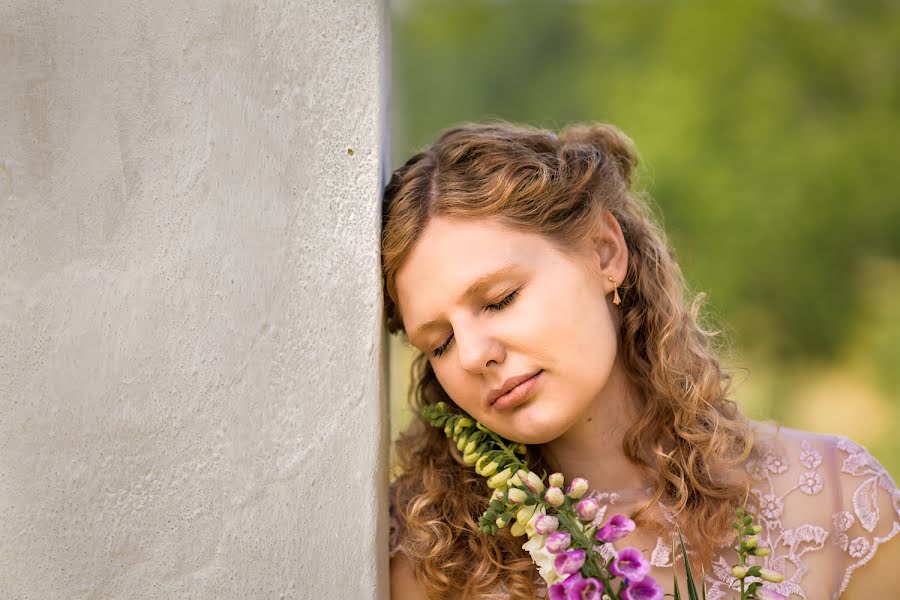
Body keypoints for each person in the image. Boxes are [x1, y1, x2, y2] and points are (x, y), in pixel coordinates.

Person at [380, 121, 900, 599]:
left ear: (605, 253)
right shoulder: (426, 560)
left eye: (499, 299)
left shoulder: (840, 501)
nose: (473, 356)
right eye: (440, 343)